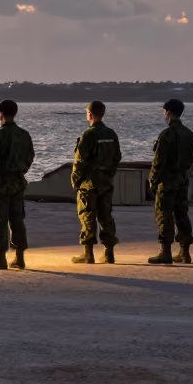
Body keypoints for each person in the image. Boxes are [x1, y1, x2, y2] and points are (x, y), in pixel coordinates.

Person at [0, 99, 35, 270]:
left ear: (2, 114)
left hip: (1, 183)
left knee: (0, 220)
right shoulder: (24, 135)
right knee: (17, 219)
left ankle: (1, 257)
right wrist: (21, 171)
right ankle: (19, 258)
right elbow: (30, 157)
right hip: (18, 183)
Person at [70, 101, 122, 264]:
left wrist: (75, 180)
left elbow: (80, 161)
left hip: (89, 183)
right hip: (106, 182)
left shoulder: (88, 135)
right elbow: (117, 157)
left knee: (87, 215)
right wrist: (109, 173)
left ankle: (88, 253)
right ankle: (109, 252)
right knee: (106, 216)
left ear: (90, 114)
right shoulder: (111, 134)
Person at [147, 98, 193, 264]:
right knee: (182, 214)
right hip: (182, 179)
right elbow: (190, 158)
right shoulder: (189, 134)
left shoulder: (167, 134)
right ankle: (185, 252)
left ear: (168, 113)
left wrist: (153, 181)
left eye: (164, 112)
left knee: (164, 214)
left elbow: (159, 161)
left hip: (168, 181)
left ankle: (165, 251)